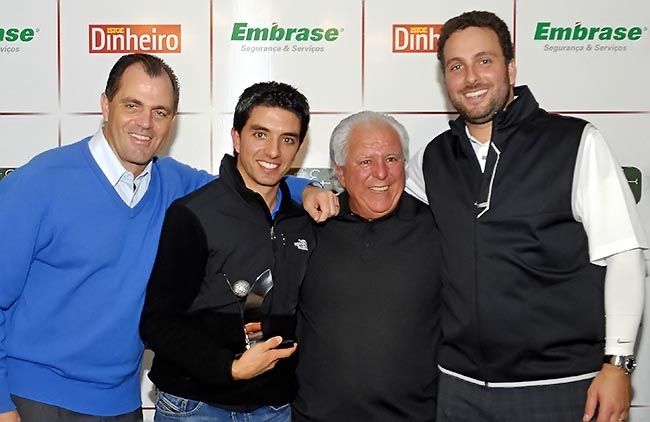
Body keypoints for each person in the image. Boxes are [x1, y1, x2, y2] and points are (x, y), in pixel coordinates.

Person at [0, 54, 334, 421]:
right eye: (133, 105)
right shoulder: (39, 182)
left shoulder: (174, 182)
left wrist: (305, 190)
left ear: (172, 121)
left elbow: (250, 183)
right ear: (105, 104)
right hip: (34, 397)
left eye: (160, 112)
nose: (145, 123)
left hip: (121, 403)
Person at [404, 10, 648, 422]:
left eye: (485, 61)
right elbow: (373, 193)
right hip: (458, 386)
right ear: (445, 79)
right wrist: (315, 193)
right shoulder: (433, 158)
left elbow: (624, 255)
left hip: (561, 385)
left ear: (511, 67)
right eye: (456, 66)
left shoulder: (574, 144)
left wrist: (618, 364)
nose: (471, 78)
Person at [139, 81, 314, 422]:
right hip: (195, 407)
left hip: (273, 408)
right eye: (260, 134)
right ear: (236, 138)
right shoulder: (193, 214)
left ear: (299, 148)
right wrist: (229, 368)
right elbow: (157, 323)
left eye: (287, 139)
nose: (274, 151)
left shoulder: (304, 221)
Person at [292, 111, 441, 422]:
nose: (381, 173)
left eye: (391, 159)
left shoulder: (440, 228)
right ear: (340, 172)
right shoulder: (306, 229)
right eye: (365, 162)